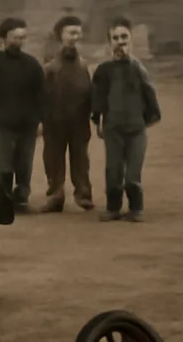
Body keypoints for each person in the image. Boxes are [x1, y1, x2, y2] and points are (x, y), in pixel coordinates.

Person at [91, 17, 161, 222]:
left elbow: (150, 95)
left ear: (130, 40)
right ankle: (113, 207)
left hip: (136, 129)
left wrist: (146, 120)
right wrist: (98, 121)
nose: (120, 42)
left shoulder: (138, 68)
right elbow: (98, 97)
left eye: (124, 37)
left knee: (132, 174)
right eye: (115, 38)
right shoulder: (103, 70)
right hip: (113, 128)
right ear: (109, 42)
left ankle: (136, 207)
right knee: (113, 170)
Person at [0, 17, 45, 209]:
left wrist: (40, 120)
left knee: (24, 165)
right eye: (15, 38)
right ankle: (4, 198)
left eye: (22, 38)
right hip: (3, 122)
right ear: (5, 38)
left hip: (28, 124)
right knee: (4, 165)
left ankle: (22, 198)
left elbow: (41, 93)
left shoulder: (32, 65)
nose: (19, 42)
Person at [40, 15, 94, 213]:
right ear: (60, 35)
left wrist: (93, 116)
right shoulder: (50, 65)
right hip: (54, 122)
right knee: (53, 159)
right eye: (71, 33)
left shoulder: (84, 65)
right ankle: (55, 196)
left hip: (79, 121)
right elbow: (42, 94)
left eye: (78, 32)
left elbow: (90, 92)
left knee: (81, 160)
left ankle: (84, 195)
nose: (75, 37)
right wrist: (42, 119)